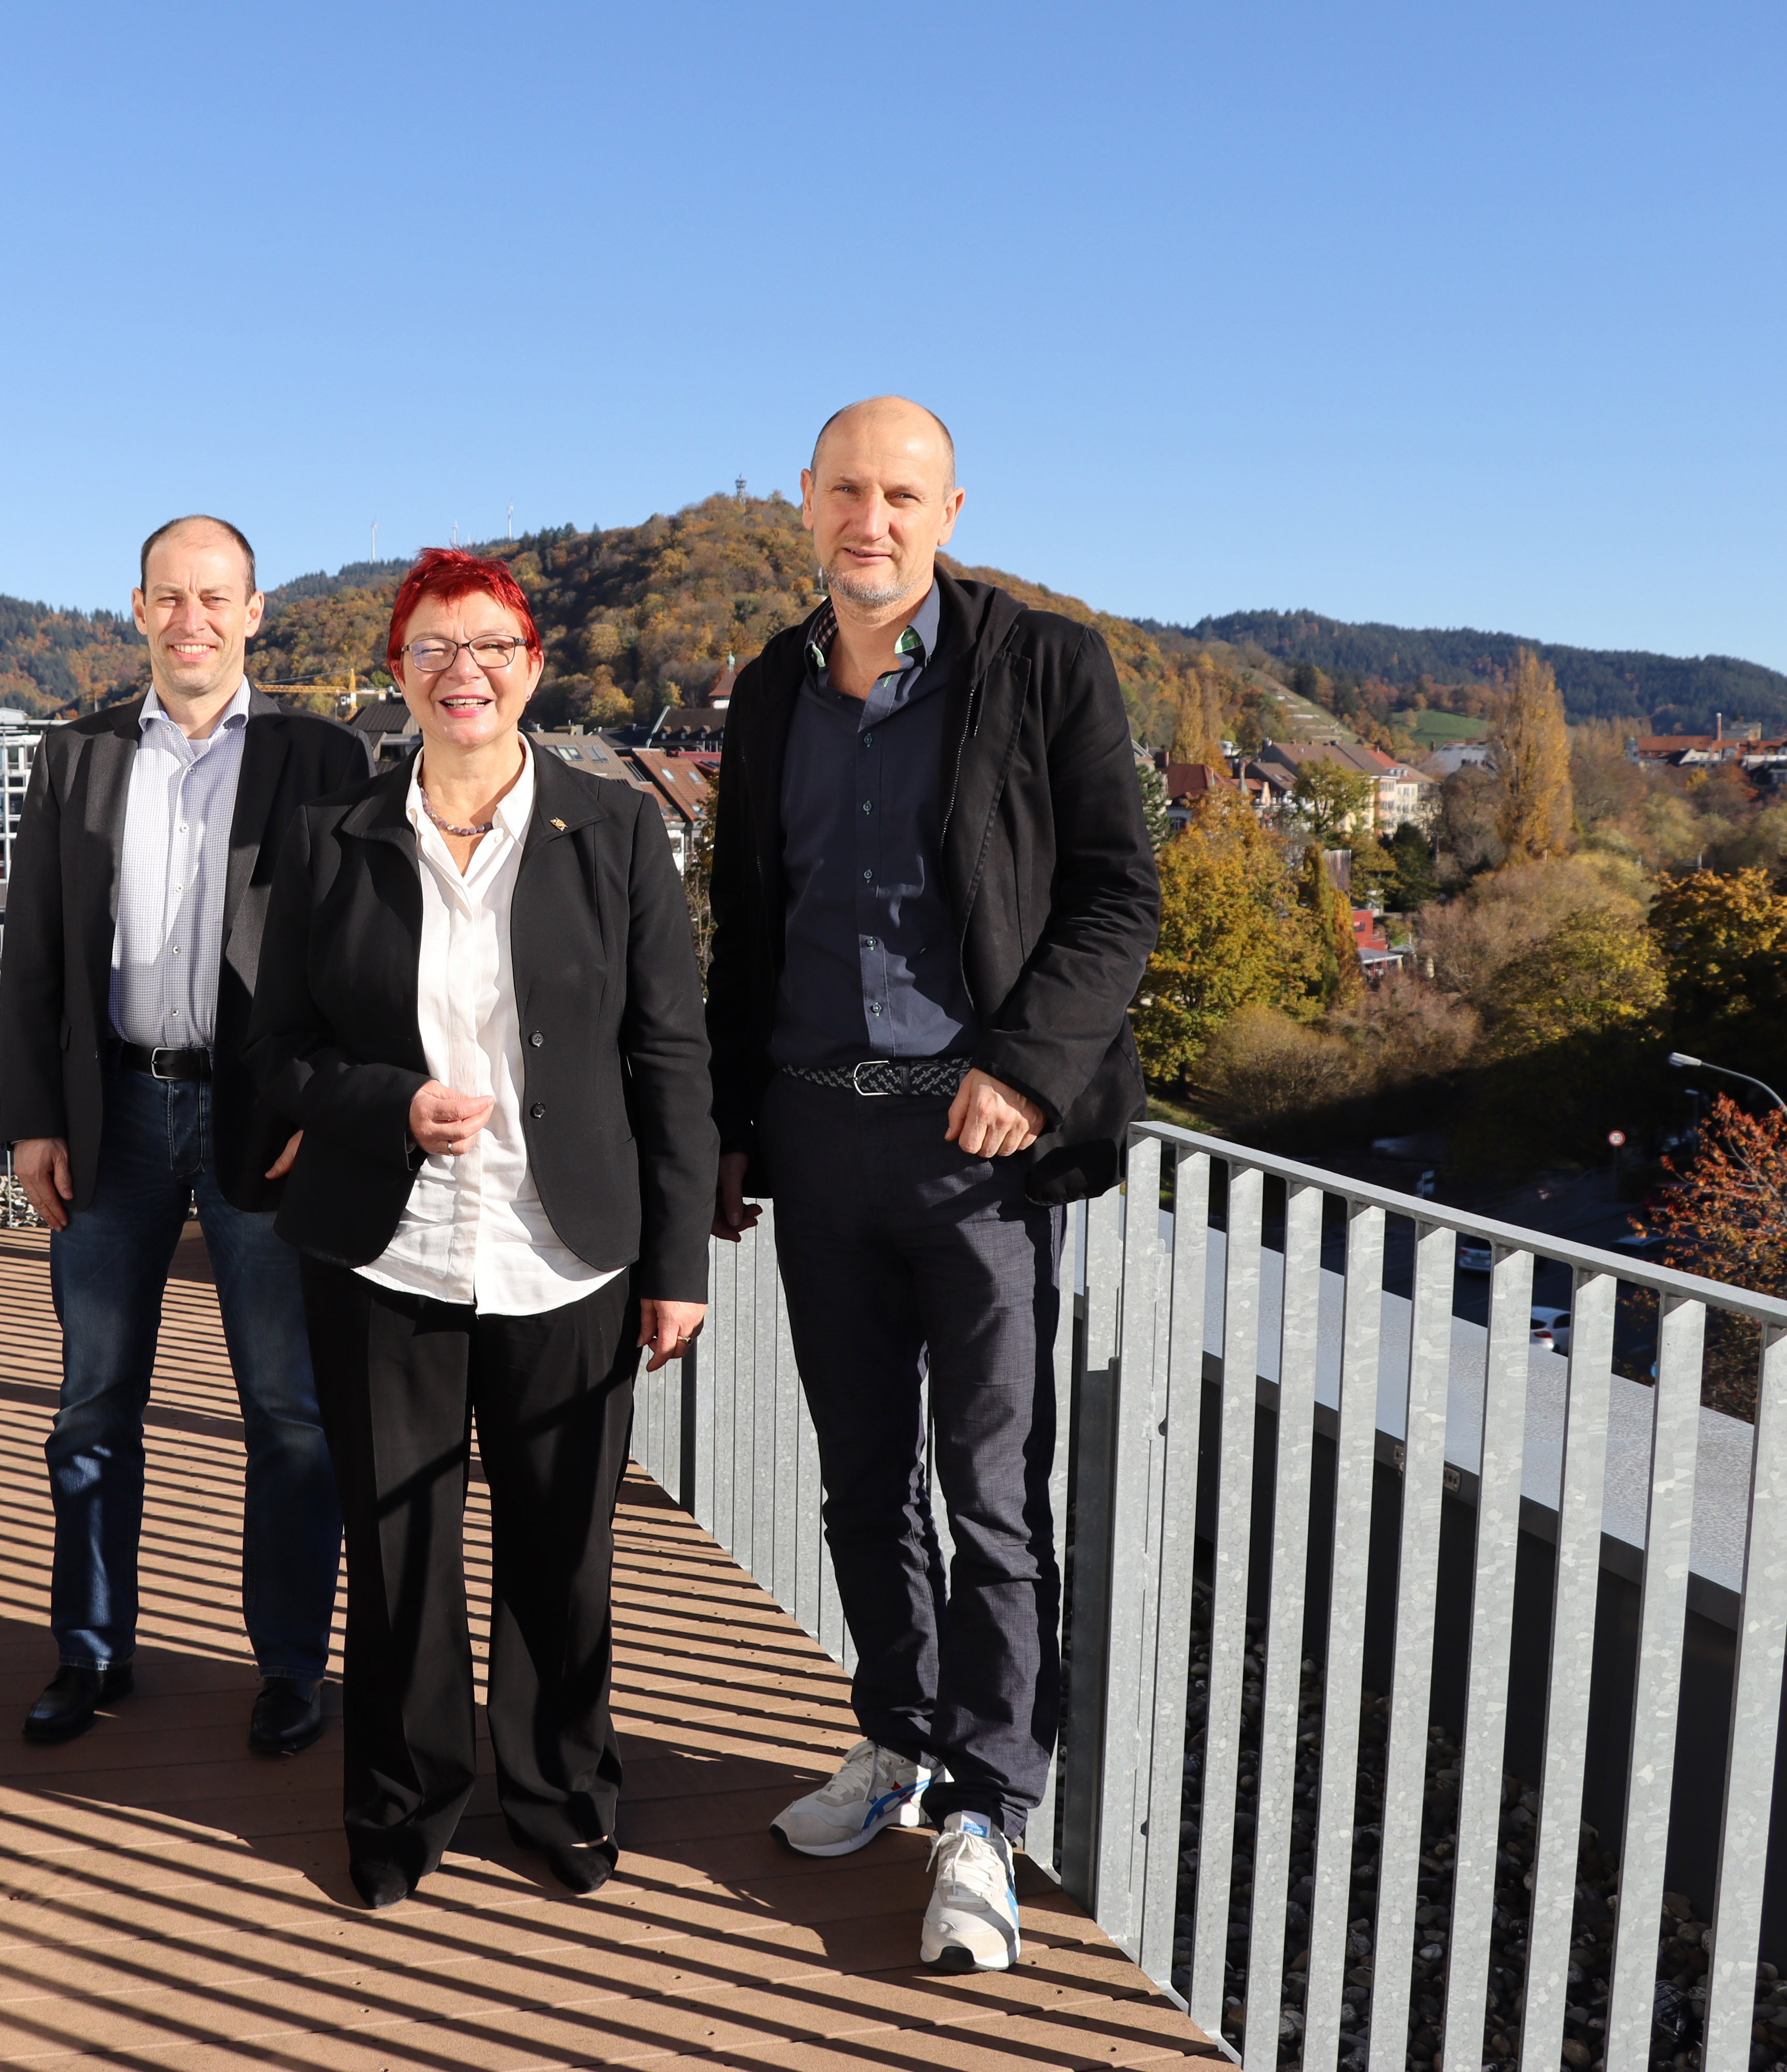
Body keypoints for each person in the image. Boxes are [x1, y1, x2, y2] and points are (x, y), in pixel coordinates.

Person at [705, 400, 1159, 1972]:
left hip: (983, 1151)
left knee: (992, 1493)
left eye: (902, 494)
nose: (871, 520)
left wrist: (1025, 1068)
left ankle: (987, 1810)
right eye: (846, 490)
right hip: (819, 1134)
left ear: (950, 508)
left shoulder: (1045, 669)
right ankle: (895, 1739)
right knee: (857, 1478)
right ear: (806, 504)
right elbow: (746, 923)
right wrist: (728, 1129)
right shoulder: (771, 687)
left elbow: (1117, 897)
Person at [249, 549, 714, 1910]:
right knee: (399, 1554)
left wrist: (677, 1262)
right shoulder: (330, 838)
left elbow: (670, 1055)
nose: (466, 671)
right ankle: (402, 1808)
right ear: (397, 671)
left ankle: (561, 1796)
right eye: (435, 646)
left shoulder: (618, 830)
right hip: (387, 1246)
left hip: (565, 1249)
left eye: (492, 645)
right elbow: (273, 1059)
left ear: (533, 666)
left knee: (563, 1549)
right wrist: (391, 1103)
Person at [0, 514, 373, 1754]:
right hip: (117, 1112)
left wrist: (331, 1115)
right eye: (171, 596)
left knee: (289, 1406)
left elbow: (369, 963)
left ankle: (288, 1664)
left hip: (267, 1120)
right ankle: (91, 1651)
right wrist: (34, 1121)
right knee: (94, 1399)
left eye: (217, 596)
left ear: (256, 611)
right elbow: (36, 959)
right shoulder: (78, 757)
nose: (193, 617)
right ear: (139, 608)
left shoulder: (327, 757)